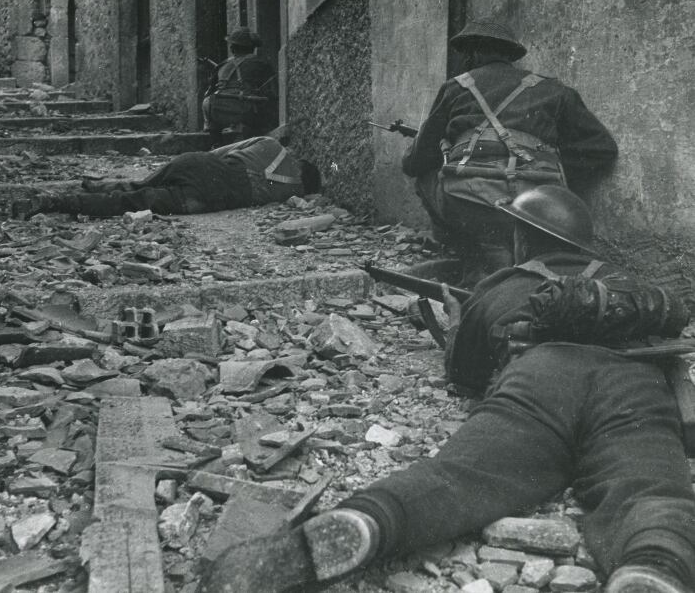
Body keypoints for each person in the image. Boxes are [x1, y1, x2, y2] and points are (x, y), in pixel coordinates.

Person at [200, 186, 695, 593]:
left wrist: (459, 325)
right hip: (635, 382)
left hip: (540, 378)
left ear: (524, 239)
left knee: (459, 476)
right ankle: (653, 563)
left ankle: (365, 522)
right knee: (649, 487)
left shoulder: (503, 284)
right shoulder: (627, 286)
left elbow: (464, 375)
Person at [402, 17, 618, 281]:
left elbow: (415, 161)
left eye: (466, 54)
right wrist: (553, 171)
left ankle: (470, 254)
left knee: (425, 178)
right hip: (536, 205)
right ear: (510, 55)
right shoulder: (553, 89)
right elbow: (602, 149)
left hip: (470, 204)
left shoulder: (456, 87)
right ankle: (515, 260)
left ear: (474, 52)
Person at [10, 135, 320, 218]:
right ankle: (53, 203)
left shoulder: (271, 145)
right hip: (203, 201)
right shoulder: (287, 194)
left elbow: (221, 153)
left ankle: (100, 185)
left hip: (203, 167)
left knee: (145, 183)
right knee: (130, 204)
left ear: (299, 159)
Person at [202, 27, 278, 147]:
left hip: (216, 111)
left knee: (207, 102)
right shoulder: (261, 63)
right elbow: (272, 90)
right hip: (244, 109)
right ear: (253, 48)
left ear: (233, 49)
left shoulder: (223, 65)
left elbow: (210, 90)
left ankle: (215, 141)